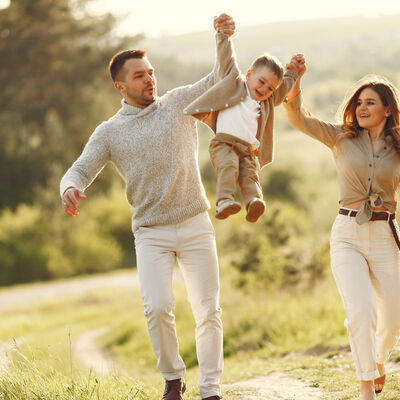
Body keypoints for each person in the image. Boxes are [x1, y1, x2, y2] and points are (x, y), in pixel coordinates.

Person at [60, 14, 237, 400]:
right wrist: (69, 187)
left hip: (195, 222)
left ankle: (211, 389)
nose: (149, 79)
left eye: (151, 72)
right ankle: (174, 378)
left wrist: (223, 37)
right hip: (151, 232)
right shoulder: (109, 131)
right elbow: (79, 169)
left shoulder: (178, 103)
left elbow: (222, 79)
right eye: (139, 75)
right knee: (157, 308)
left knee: (208, 309)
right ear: (120, 86)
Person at [284, 56, 400, 400]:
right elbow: (299, 118)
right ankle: (367, 387)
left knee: (394, 314)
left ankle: (377, 362)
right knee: (361, 310)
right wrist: (297, 81)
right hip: (347, 234)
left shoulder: (399, 146)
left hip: (384, 235)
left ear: (388, 110)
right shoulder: (340, 137)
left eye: (370, 103)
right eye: (359, 102)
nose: (362, 108)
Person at [184, 38, 299, 222]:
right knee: (228, 165)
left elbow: (284, 87)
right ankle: (224, 201)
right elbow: (226, 58)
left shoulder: (267, 101)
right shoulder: (235, 83)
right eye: (261, 82)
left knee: (250, 176)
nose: (264, 89)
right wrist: (223, 34)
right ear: (249, 74)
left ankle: (254, 202)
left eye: (270, 88)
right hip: (224, 143)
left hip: (247, 150)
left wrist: (293, 71)